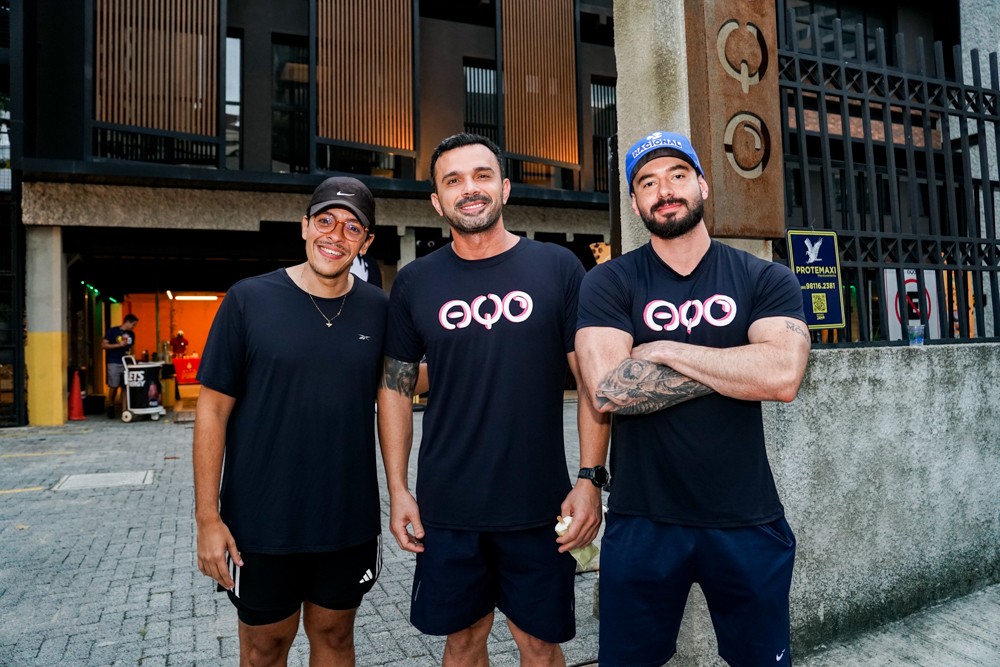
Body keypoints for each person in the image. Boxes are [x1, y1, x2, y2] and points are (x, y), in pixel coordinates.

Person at [574, 132, 811, 667]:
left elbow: (782, 377)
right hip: (642, 519)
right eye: (647, 182)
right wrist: (735, 364)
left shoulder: (764, 277)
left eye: (677, 175)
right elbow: (609, 390)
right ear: (635, 203)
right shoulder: (609, 282)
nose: (664, 190)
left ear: (702, 184)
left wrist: (665, 350)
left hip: (746, 517)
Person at [378, 133, 609, 667]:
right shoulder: (415, 283)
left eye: (482, 175)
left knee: (539, 644)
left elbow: (593, 382)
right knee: (462, 641)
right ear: (437, 202)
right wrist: (398, 489)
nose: (469, 189)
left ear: (504, 187)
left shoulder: (558, 268)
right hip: (449, 508)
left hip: (539, 503)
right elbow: (394, 389)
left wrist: (589, 479)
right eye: (453, 180)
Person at [193, 176, 387, 667]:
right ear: (304, 227)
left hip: (347, 517)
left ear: (365, 242)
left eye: (351, 227)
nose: (335, 235)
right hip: (260, 522)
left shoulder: (381, 310)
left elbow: (401, 388)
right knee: (265, 647)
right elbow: (212, 409)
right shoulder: (247, 300)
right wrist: (207, 517)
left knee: (336, 637)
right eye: (325, 221)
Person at [102, 313, 138, 418]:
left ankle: (124, 409)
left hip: (126, 362)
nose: (134, 327)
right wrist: (118, 345)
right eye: (133, 324)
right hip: (114, 361)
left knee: (125, 385)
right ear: (127, 322)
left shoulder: (131, 334)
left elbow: (133, 347)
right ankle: (111, 405)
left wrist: (133, 358)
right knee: (114, 385)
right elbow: (103, 345)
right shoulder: (112, 331)